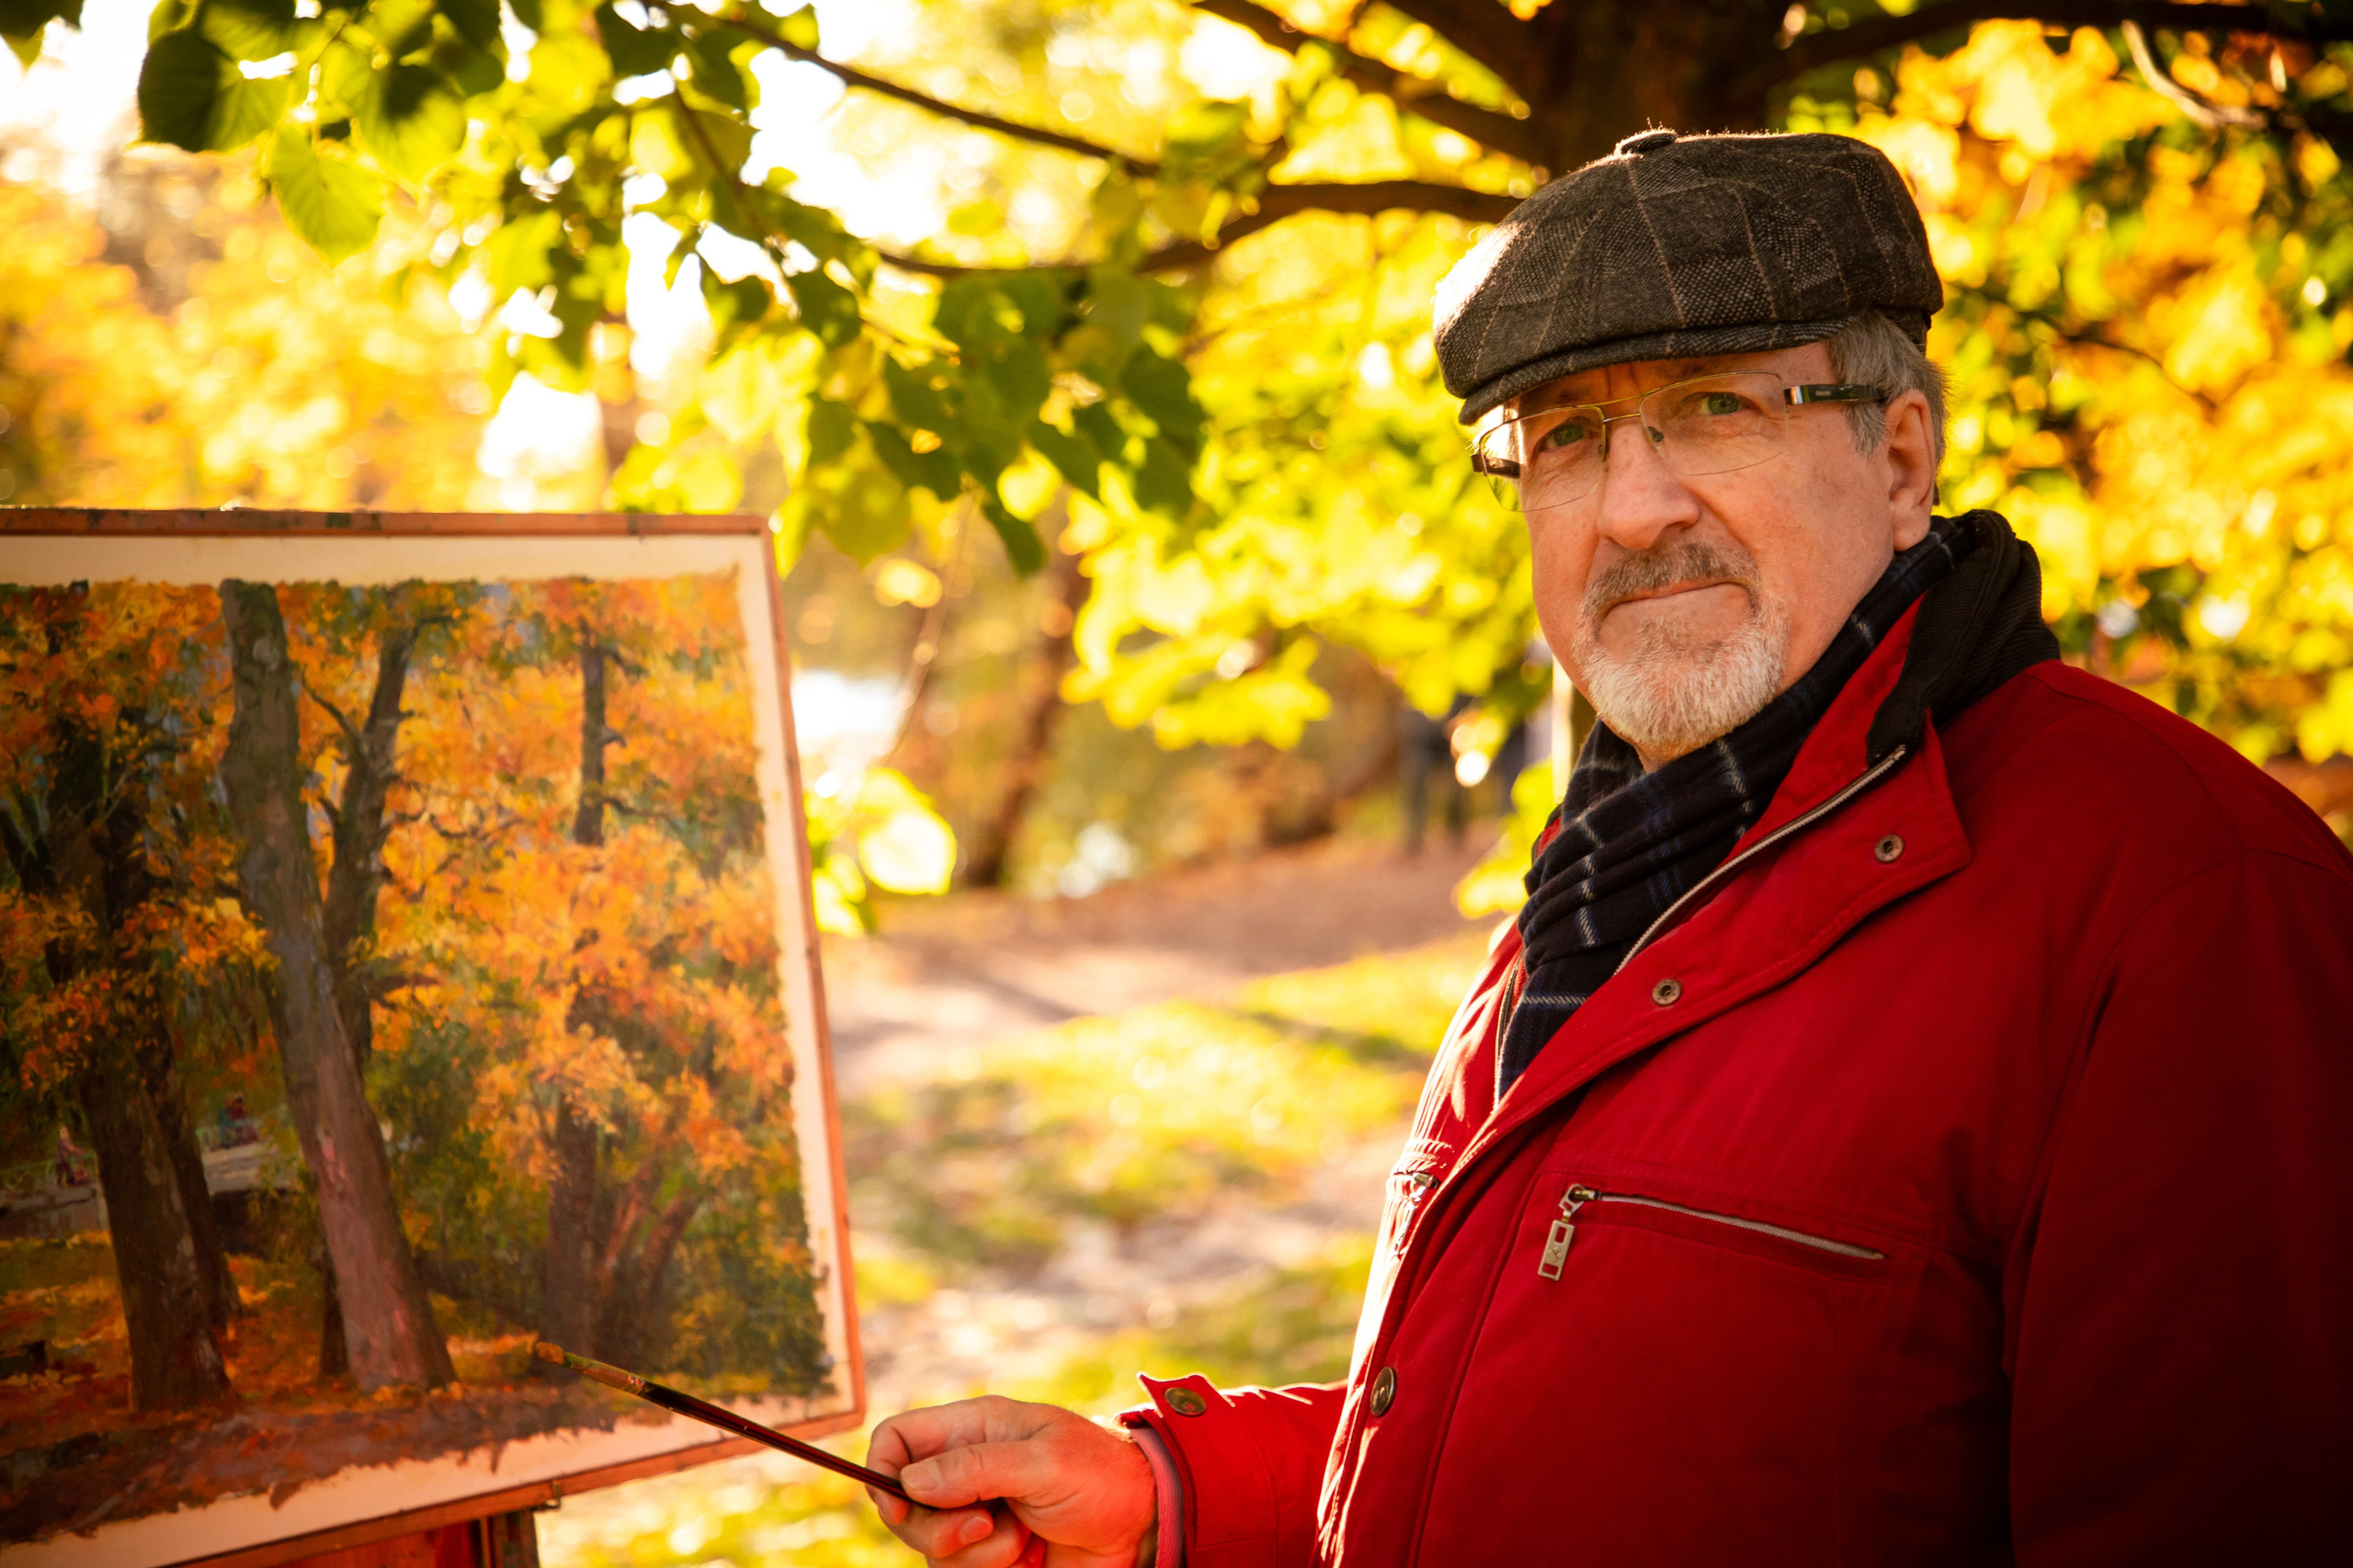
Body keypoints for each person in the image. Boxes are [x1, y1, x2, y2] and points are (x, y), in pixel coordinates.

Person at [861, 130, 2353, 1566]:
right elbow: (1583, 1445)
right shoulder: (1612, 869)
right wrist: (1165, 1497)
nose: (1636, 509)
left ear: (1902, 459)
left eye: (1717, 406)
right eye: (1570, 436)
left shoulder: (2182, 905)